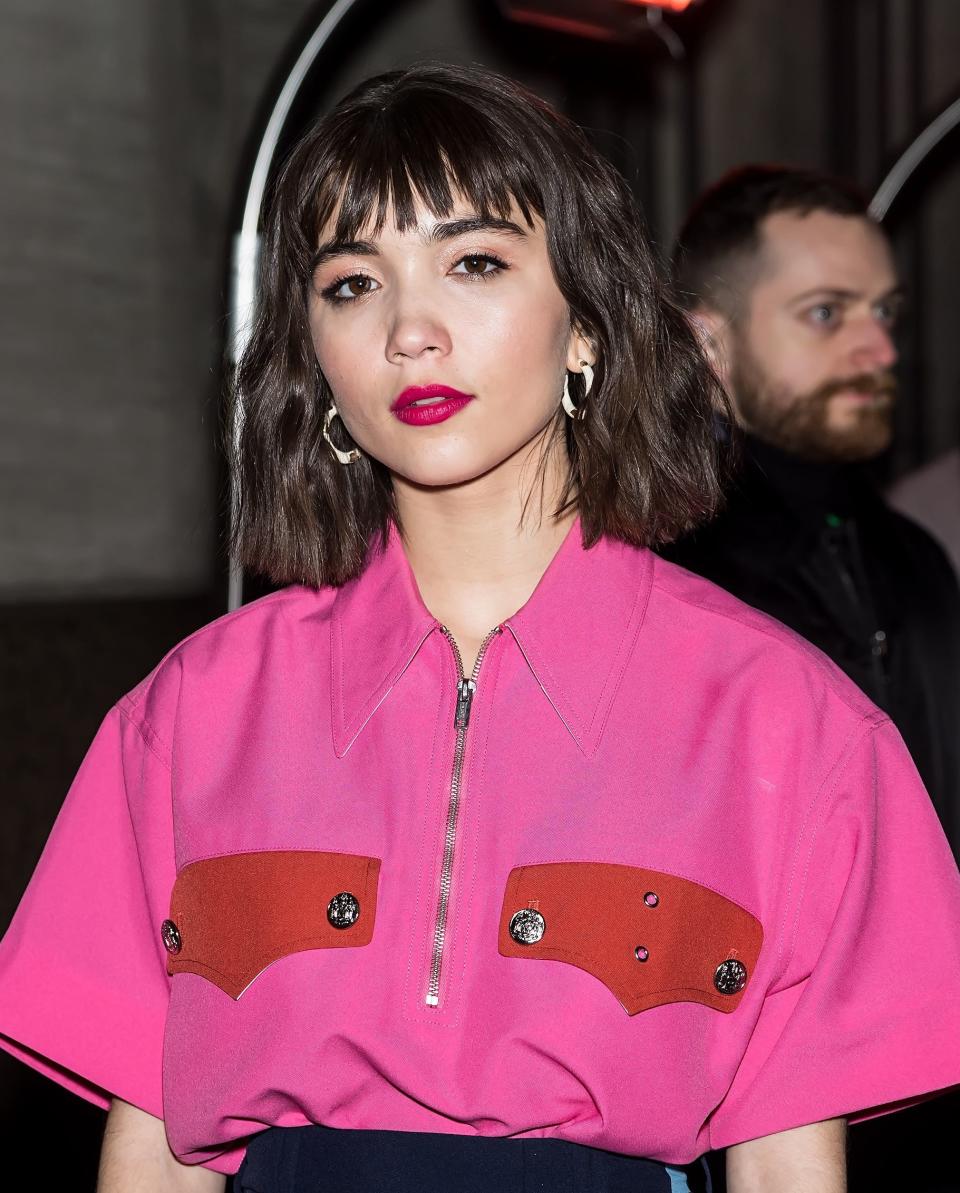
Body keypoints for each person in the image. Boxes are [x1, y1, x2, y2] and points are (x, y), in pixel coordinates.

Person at [0, 67, 958, 1193]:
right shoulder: (193, 710)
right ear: (315, 362)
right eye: (353, 283)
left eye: (476, 263)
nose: (411, 329)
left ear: (587, 331)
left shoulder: (788, 721)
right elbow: (156, 1155)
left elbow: (790, 1171)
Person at [665, 165, 960, 858]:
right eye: (826, 313)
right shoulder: (661, 566)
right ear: (710, 344)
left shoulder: (915, 557)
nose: (881, 351)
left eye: (885, 311)